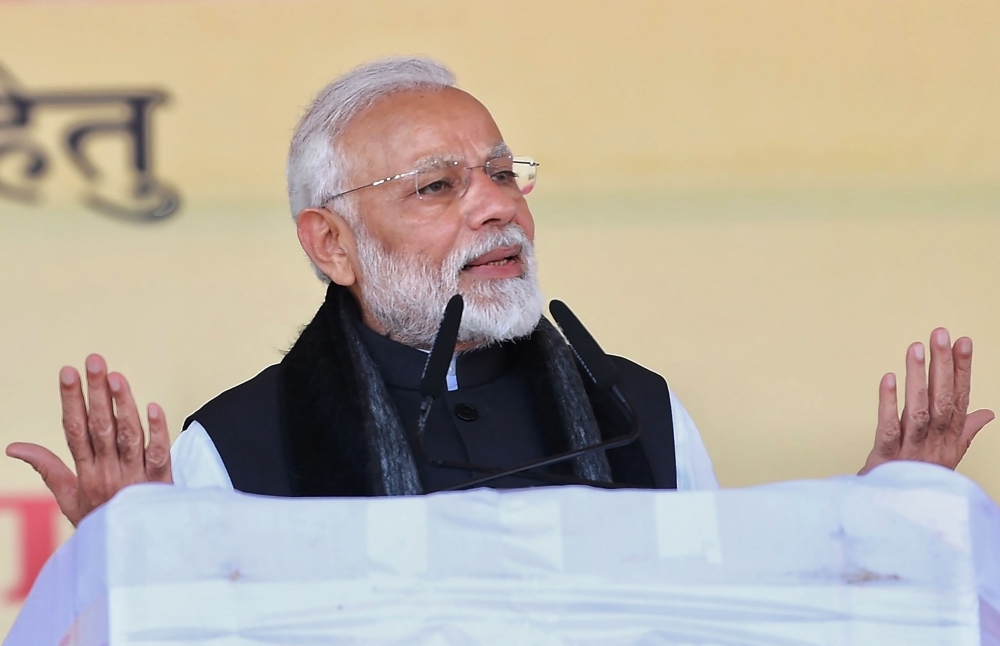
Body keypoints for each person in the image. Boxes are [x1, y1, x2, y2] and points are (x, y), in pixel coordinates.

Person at [6, 58, 995, 527]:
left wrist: (881, 534)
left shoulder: (637, 413)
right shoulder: (235, 448)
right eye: (438, 187)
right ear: (331, 244)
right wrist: (126, 559)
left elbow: (718, 618)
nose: (496, 208)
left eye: (503, 174)